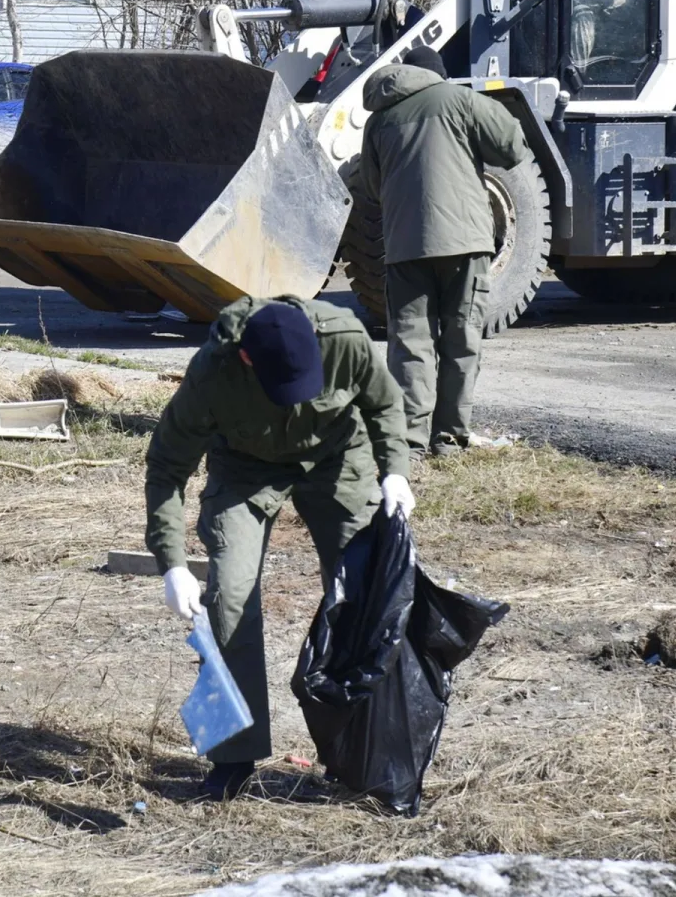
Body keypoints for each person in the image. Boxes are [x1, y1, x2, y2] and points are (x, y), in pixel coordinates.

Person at [145, 296, 414, 800]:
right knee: (228, 601)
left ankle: (354, 747)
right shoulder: (212, 375)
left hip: (338, 457)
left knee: (363, 591)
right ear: (248, 361)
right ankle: (232, 755)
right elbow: (165, 468)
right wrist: (173, 565)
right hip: (245, 469)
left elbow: (383, 402)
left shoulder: (345, 339)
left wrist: (394, 470)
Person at [353, 46, 535, 456]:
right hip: (465, 244)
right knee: (460, 337)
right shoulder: (462, 100)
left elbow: (370, 186)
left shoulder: (379, 120)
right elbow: (512, 148)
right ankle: (449, 438)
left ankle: (410, 442)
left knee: (410, 342)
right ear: (438, 74)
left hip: (404, 246)